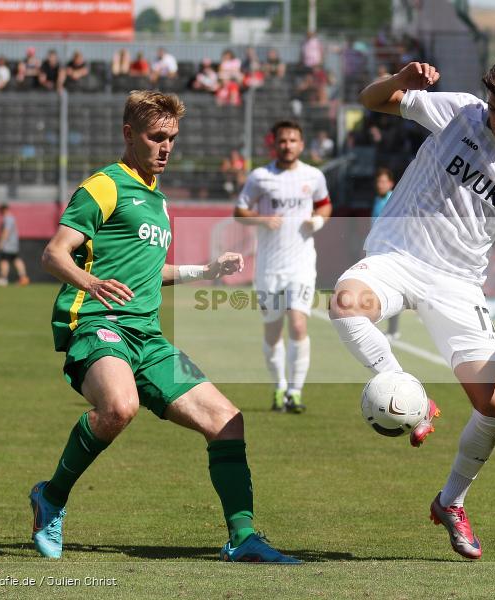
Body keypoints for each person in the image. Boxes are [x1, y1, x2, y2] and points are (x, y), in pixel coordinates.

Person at [329, 56, 495, 560]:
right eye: (493, 108)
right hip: (398, 257)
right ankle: (409, 393)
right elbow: (370, 100)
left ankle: (451, 501)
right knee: (345, 302)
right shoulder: (460, 112)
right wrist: (400, 81)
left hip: (458, 284)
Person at [30, 90, 298, 563]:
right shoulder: (104, 186)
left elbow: (150, 272)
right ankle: (51, 497)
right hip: (98, 323)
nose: (166, 147)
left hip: (147, 337)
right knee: (120, 407)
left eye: (172, 138)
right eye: (156, 137)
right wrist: (90, 282)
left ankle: (243, 538)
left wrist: (205, 271)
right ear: (129, 134)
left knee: (227, 421)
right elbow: (54, 254)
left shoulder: (157, 200)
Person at [233, 120, 332, 413]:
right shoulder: (260, 177)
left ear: (301, 144)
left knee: (298, 324)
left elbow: (325, 204)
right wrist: (261, 219)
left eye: (293, 140)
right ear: (274, 144)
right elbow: (239, 211)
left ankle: (295, 392)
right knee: (273, 331)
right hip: (268, 268)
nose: (288, 145)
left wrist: (318, 221)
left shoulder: (314, 176)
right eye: (283, 141)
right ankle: (279, 387)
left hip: (301, 265)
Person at [370, 168, 400, 340]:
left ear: (391, 183)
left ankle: (393, 330)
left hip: (388, 252)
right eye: (378, 181)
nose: (380, 185)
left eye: (383, 181)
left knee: (391, 290)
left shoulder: (393, 200)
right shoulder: (377, 199)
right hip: (376, 250)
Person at [0, 203, 30, 286]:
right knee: (16, 259)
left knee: (4, 260)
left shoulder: (7, 219)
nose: (0, 213)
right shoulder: (11, 218)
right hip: (13, 244)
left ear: (4, 209)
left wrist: (1, 242)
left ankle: (3, 278)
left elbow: (6, 231)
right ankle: (23, 277)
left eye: (0, 210)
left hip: (7, 244)